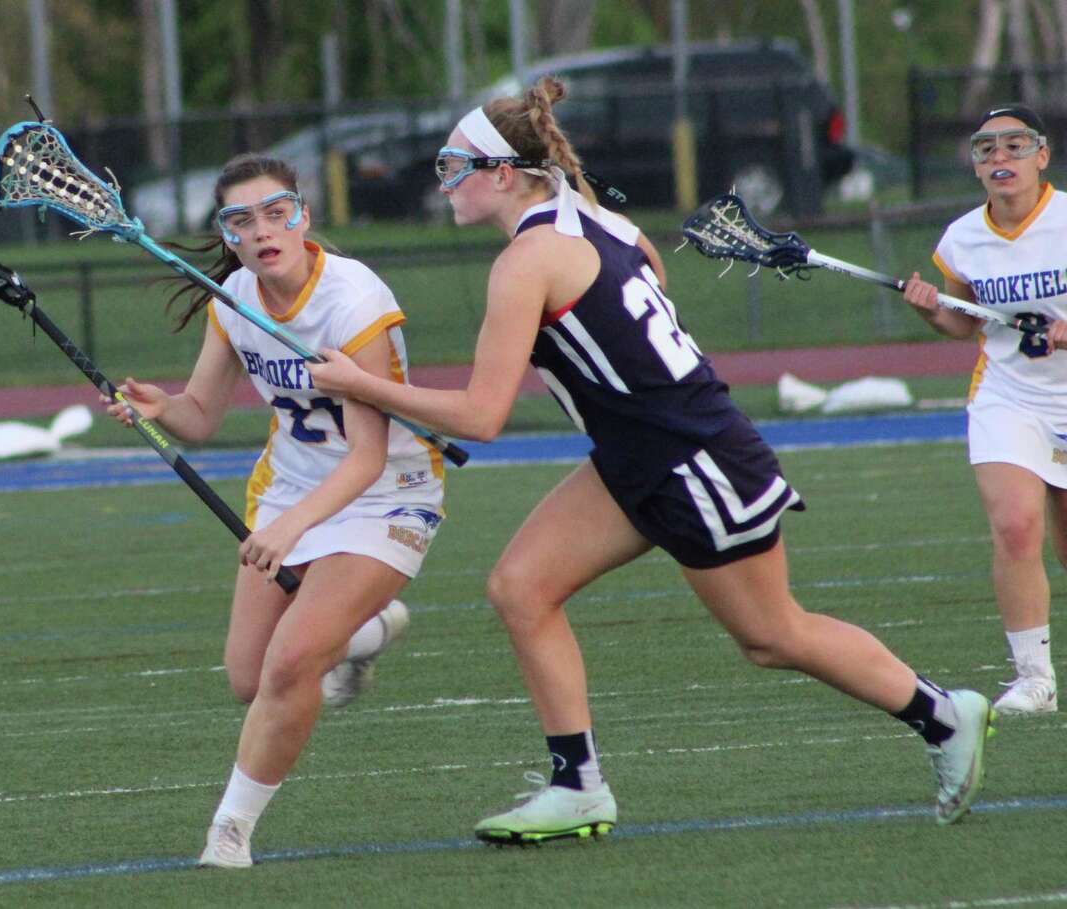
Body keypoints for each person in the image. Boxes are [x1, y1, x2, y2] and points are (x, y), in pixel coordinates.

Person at [309, 76, 996, 845]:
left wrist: (364, 385)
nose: (444, 184)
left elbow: (482, 415)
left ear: (503, 172)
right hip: (639, 451)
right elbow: (648, 293)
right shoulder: (600, 221)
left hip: (691, 456)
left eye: (453, 166)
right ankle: (578, 784)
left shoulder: (525, 261)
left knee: (772, 634)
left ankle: (942, 713)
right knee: (521, 586)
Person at [105, 153, 445, 867]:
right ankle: (366, 631)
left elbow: (366, 457)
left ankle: (229, 830)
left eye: (275, 211)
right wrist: (161, 408)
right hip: (290, 488)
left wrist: (288, 531)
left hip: (386, 493)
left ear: (302, 215)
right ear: (226, 234)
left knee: (291, 662)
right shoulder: (233, 297)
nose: (262, 230)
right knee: (250, 678)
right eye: (241, 219)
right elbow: (200, 415)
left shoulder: (354, 303)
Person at [903, 103, 1065, 716]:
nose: (1000, 158)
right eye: (986, 148)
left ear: (1041, 156)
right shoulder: (963, 237)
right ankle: (1034, 680)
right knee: (1017, 525)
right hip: (1008, 395)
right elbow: (960, 319)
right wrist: (928, 307)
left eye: (1015, 146)